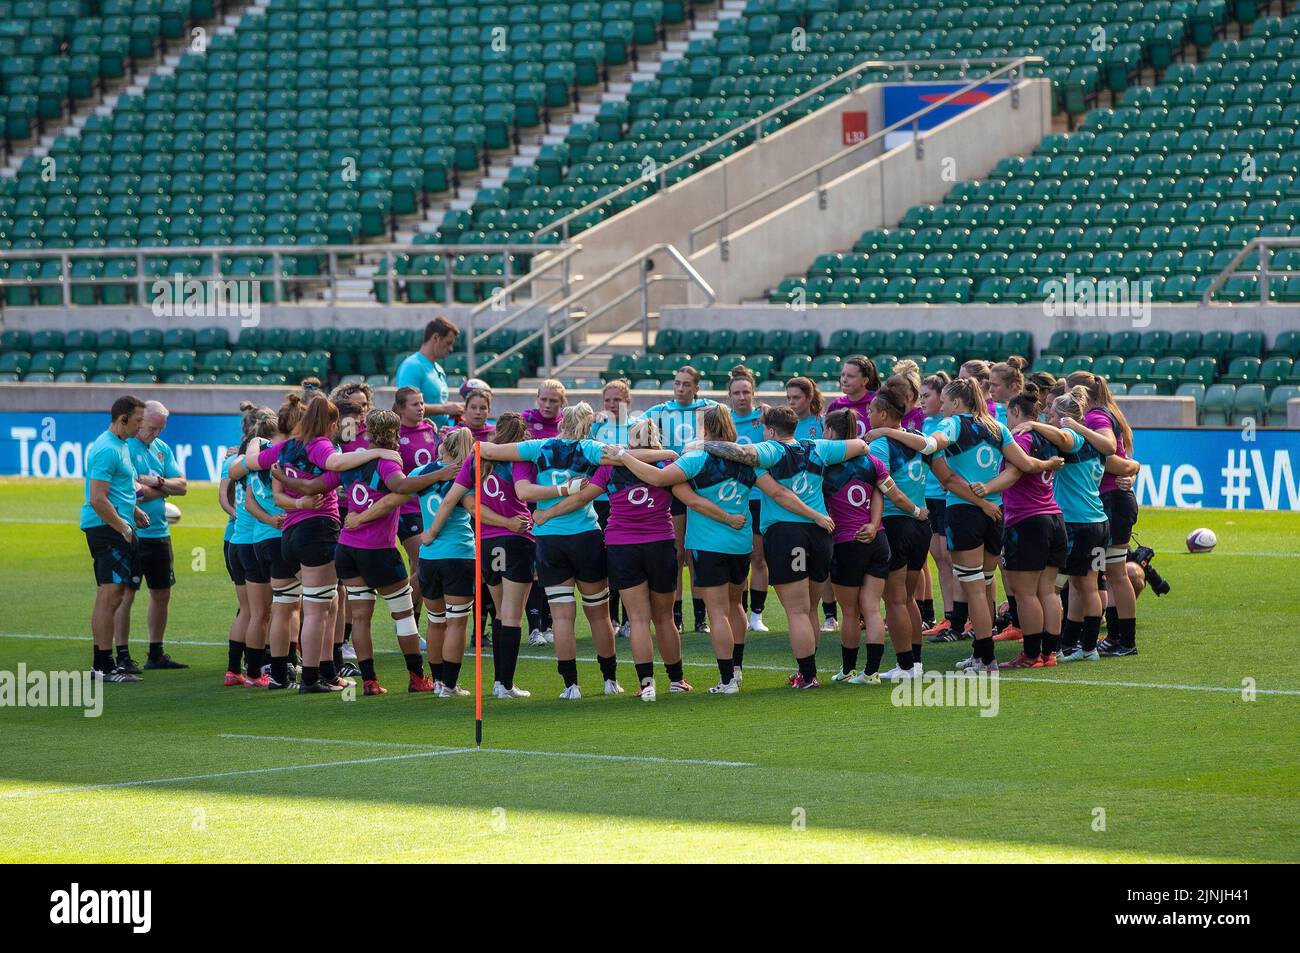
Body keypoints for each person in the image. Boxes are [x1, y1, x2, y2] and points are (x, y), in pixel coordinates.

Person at [688, 405, 873, 690]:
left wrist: (704, 443)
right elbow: (861, 444)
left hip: (788, 534)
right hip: (821, 535)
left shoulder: (771, 449)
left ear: (771, 430)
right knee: (810, 609)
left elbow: (744, 456)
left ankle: (808, 677)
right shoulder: (818, 447)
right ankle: (807, 673)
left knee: (797, 612)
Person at [276, 409, 452, 696]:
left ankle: (370, 681)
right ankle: (417, 677)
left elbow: (313, 485)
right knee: (404, 614)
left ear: (367, 431)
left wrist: (283, 477)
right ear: (395, 434)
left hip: (347, 548)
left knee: (360, 618)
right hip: (378, 550)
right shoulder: (387, 463)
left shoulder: (351, 461)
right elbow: (402, 486)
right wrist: (442, 473)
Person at [243, 396, 402, 693]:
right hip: (317, 529)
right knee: (319, 608)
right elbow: (337, 463)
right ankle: (312, 678)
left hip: (287, 533)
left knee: (292, 605)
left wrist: (255, 443)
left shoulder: (286, 446)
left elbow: (251, 461)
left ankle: (285, 675)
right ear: (330, 423)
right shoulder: (319, 445)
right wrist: (379, 451)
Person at [618, 404, 772, 693]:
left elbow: (660, 479)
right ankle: (736, 671)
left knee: (717, 612)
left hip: (708, 544)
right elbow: (774, 489)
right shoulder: (748, 458)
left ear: (706, 428)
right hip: (740, 542)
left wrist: (624, 455)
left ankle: (726, 681)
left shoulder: (696, 457)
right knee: (736, 604)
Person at [479, 403, 624, 697]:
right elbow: (625, 457)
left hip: (549, 540)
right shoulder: (592, 448)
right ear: (587, 426)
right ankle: (610, 680)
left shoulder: (538, 446)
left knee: (561, 618)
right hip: (585, 536)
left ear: (561, 423)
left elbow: (488, 451)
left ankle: (571, 685)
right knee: (598, 614)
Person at [926, 377, 1062, 673]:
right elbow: (1024, 465)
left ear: (958, 403)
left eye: (946, 402)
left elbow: (938, 443)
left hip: (964, 511)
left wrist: (926, 443)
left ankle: (986, 658)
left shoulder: (953, 423)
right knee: (986, 585)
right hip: (997, 513)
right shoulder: (997, 426)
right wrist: (1049, 464)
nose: (943, 407)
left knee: (974, 589)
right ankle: (980, 653)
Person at [550, 418, 687, 701]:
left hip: (622, 547)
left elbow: (581, 498)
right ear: (656, 440)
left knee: (637, 619)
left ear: (631, 441)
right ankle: (676, 680)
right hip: (660, 544)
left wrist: (546, 514)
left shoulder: (610, 467)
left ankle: (646, 684)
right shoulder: (667, 465)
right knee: (664, 618)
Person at [1018, 387, 1138, 663]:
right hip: (1098, 522)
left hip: (1075, 522)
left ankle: (1058, 646)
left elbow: (1063, 437)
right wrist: (1134, 471)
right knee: (1090, 585)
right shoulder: (1096, 445)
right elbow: (1126, 464)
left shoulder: (1072, 437)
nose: (1046, 415)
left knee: (1056, 586)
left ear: (1062, 416)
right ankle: (1087, 647)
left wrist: (1034, 424)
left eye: (1050, 411)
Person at [964, 383, 1066, 668]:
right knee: (1047, 591)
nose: (1006, 422)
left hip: (1028, 520)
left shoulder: (1021, 438)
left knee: (1025, 593)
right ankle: (1050, 653)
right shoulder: (1051, 437)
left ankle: (1031, 655)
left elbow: (1014, 471)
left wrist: (987, 487)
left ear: (1016, 412)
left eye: (1008, 415)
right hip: (1054, 517)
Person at [819, 406, 918, 685]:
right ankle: (872, 673)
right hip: (878, 540)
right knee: (873, 608)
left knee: (850, 612)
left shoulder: (825, 465)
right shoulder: (872, 461)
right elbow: (882, 494)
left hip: (847, 543)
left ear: (829, 431)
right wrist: (875, 525)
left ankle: (849, 669)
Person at [862, 384, 935, 680]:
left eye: (870, 411)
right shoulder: (918, 438)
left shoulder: (880, 444)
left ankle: (905, 665)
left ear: (882, 414)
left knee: (895, 600)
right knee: (907, 599)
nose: (868, 415)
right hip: (920, 525)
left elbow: (885, 487)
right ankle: (914, 663)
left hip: (897, 522)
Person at [1068, 371, 1141, 658]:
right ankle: (1115, 637)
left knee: (1115, 573)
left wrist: (1128, 469)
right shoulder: (1104, 412)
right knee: (1108, 573)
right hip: (1111, 500)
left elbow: (1109, 454)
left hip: (1111, 501)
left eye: (1071, 392)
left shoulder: (1096, 417)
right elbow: (1124, 460)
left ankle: (1125, 640)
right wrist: (1130, 469)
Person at [111, 400, 187, 672]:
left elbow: (183, 486)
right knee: (125, 594)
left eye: (160, 429)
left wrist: (157, 482)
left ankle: (156, 653)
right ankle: (122, 654)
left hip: (159, 532)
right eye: (152, 428)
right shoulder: (126, 447)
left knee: (162, 592)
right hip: (131, 532)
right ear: (140, 421)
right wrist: (161, 489)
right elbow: (129, 491)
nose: (155, 434)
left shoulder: (162, 449)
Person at [644, 365, 719, 635]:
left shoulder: (710, 409)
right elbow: (638, 432)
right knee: (676, 553)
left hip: (701, 484)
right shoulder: (659, 411)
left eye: (686, 384)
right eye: (677, 383)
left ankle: (701, 617)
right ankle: (676, 616)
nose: (680, 388)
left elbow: (726, 431)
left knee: (696, 552)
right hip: (674, 484)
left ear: (696, 387)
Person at [80, 395, 148, 683]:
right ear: (123, 419)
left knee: (111, 595)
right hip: (107, 529)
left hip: (115, 526)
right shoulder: (106, 449)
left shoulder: (120, 446)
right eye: (137, 421)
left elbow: (117, 489)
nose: (140, 426)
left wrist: (133, 510)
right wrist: (122, 525)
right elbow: (97, 498)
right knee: (110, 596)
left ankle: (102, 664)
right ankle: (104, 667)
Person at [227, 406, 283, 688]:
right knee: (273, 610)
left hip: (237, 539)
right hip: (259, 538)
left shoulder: (239, 463)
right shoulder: (269, 462)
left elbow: (227, 495)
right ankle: (266, 669)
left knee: (249, 611)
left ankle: (239, 670)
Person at [788, 375, 837, 634]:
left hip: (821, 496)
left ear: (809, 398)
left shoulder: (820, 424)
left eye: (796, 397)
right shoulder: (786, 425)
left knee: (823, 561)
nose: (792, 402)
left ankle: (830, 614)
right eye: (789, 398)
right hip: (794, 499)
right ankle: (811, 613)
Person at [393, 386, 441, 639]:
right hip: (406, 508)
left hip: (428, 508)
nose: (421, 408)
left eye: (422, 403)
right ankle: (402, 616)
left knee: (419, 567)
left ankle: (411, 628)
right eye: (415, 404)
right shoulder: (395, 435)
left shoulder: (430, 430)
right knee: (423, 564)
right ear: (401, 408)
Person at [727, 365, 770, 634]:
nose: (741, 397)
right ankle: (739, 612)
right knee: (739, 557)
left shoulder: (764, 417)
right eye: (736, 393)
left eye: (746, 392)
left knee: (759, 558)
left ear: (753, 393)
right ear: (729, 396)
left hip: (759, 496)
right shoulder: (723, 419)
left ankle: (757, 614)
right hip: (733, 498)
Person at [523, 380, 566, 643]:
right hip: (531, 502)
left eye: (553, 401)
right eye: (544, 400)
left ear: (563, 403)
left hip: (558, 505)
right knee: (534, 566)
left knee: (553, 565)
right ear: (537, 399)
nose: (547, 405)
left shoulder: (567, 426)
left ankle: (549, 624)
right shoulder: (525, 422)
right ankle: (534, 627)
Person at [592, 379, 634, 639]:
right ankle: (614, 618)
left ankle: (631, 618)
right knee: (606, 562)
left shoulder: (635, 428)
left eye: (617, 400)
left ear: (627, 402)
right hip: (600, 501)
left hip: (627, 501)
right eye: (607, 400)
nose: (611, 405)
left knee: (627, 559)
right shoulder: (595, 428)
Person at [394, 316, 464, 428]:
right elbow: (407, 407)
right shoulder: (411, 366)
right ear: (436, 338)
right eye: (448, 343)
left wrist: (454, 410)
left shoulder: (438, 368)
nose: (451, 349)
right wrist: (447, 409)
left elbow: (437, 405)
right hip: (420, 440)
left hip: (440, 439)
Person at [825, 355, 880, 437]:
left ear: (864, 381)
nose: (844, 380)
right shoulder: (835, 405)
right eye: (843, 375)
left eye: (850, 376)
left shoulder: (878, 403)